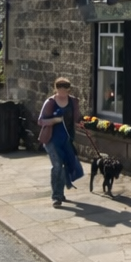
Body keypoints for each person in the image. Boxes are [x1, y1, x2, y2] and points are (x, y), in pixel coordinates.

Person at [38, 77, 86, 206]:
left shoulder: (73, 101)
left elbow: (76, 118)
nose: (63, 93)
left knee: (67, 165)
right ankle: (56, 196)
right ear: (56, 89)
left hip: (67, 139)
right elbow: (41, 121)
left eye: (65, 90)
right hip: (52, 139)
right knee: (57, 165)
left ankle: (60, 192)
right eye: (60, 90)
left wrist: (80, 123)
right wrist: (54, 121)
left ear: (69, 89)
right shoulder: (50, 102)